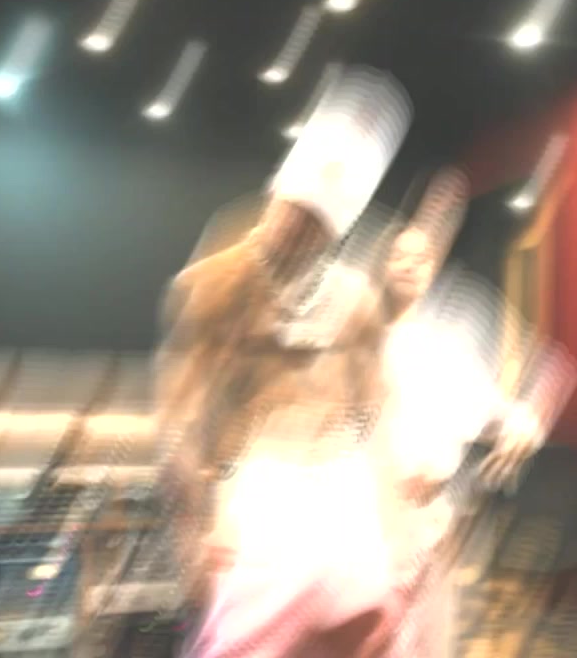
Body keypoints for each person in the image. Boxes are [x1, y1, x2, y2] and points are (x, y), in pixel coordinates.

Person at [154, 68, 412, 658]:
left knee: (368, 635)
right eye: (292, 213)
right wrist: (199, 526)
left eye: (315, 226)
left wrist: (393, 522)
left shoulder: (356, 300)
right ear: (274, 198)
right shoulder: (214, 286)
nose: (297, 231)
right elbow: (182, 420)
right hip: (260, 491)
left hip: (342, 491)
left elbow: (376, 418)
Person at [370, 168, 577, 658]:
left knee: (426, 641)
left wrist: (524, 422)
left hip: (434, 524)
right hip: (366, 522)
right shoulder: (358, 327)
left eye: (422, 256)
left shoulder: (456, 325)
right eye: (401, 255)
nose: (410, 265)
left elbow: (540, 378)